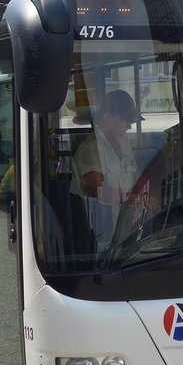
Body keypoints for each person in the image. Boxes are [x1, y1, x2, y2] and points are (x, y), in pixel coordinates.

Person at [71, 89, 143, 251]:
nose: (130, 126)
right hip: (100, 231)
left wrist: (148, 193)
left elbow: (136, 175)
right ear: (107, 116)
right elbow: (99, 191)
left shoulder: (123, 143)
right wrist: (134, 199)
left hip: (126, 224)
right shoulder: (92, 149)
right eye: (125, 120)